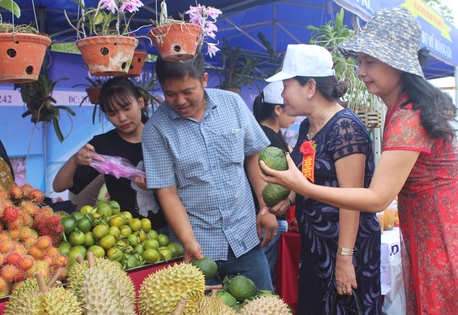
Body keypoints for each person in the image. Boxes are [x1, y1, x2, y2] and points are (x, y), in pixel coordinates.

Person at [260, 8, 458, 315]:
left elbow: (376, 197)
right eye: (359, 61)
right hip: (430, 234)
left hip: (442, 239)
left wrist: (301, 187)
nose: (360, 71)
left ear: (397, 64)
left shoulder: (407, 117)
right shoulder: (398, 110)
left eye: (370, 62)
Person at [264, 44, 382, 315]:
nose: (281, 95)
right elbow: (309, 175)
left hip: (346, 247)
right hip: (316, 247)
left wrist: (344, 258)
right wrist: (290, 197)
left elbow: (351, 200)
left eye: (286, 85)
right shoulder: (308, 127)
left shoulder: (345, 128)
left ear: (310, 87)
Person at [141, 53, 275, 291]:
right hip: (198, 250)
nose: (180, 101)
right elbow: (167, 191)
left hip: (245, 238)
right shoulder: (156, 130)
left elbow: (253, 154)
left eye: (187, 91)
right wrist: (188, 241)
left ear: (203, 79)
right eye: (170, 94)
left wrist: (265, 206)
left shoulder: (232, 104)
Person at [53, 77, 167, 231]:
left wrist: (156, 186)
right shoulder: (102, 145)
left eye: (126, 108)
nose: (122, 118)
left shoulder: (163, 137)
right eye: (112, 113)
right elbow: (59, 186)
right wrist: (74, 160)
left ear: (141, 102)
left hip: (170, 228)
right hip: (124, 235)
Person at [251, 81, 295, 287]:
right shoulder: (265, 139)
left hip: (272, 216)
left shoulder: (271, 135)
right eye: (289, 106)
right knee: (266, 282)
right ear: (278, 109)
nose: (294, 113)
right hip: (270, 218)